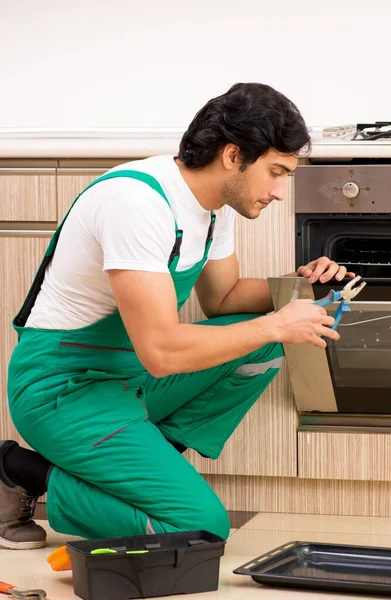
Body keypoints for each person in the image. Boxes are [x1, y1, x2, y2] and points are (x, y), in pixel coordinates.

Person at [0, 83, 351, 550]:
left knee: (264, 341)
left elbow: (223, 300)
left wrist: (300, 284)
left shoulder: (214, 208)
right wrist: (277, 322)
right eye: (276, 172)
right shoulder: (137, 203)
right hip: (64, 388)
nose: (280, 192)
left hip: (128, 378)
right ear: (232, 155)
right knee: (201, 530)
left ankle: (140, 464)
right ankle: (22, 472)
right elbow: (163, 351)